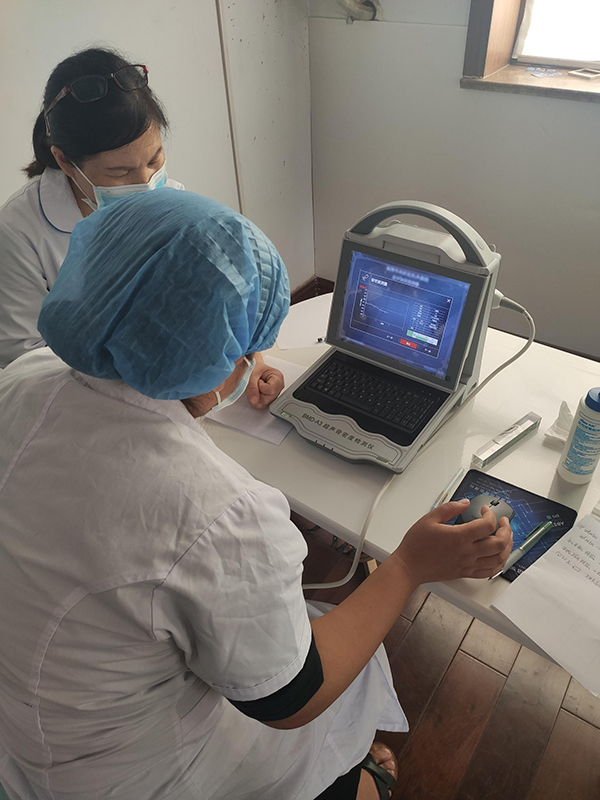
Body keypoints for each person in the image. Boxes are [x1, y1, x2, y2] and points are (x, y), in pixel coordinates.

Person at [0, 190, 512, 800]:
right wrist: (408, 566)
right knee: (334, 688)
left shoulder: (23, 379)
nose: (248, 359)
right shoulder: (220, 512)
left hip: (31, 714)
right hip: (126, 774)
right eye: (240, 344)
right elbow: (291, 699)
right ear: (215, 353)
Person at [0, 47, 283, 408]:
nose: (147, 184)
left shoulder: (172, 204)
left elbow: (211, 300)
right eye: (119, 172)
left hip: (175, 400)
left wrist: (248, 362)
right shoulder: (19, 232)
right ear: (65, 162)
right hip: (80, 408)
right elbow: (26, 364)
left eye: (154, 160)